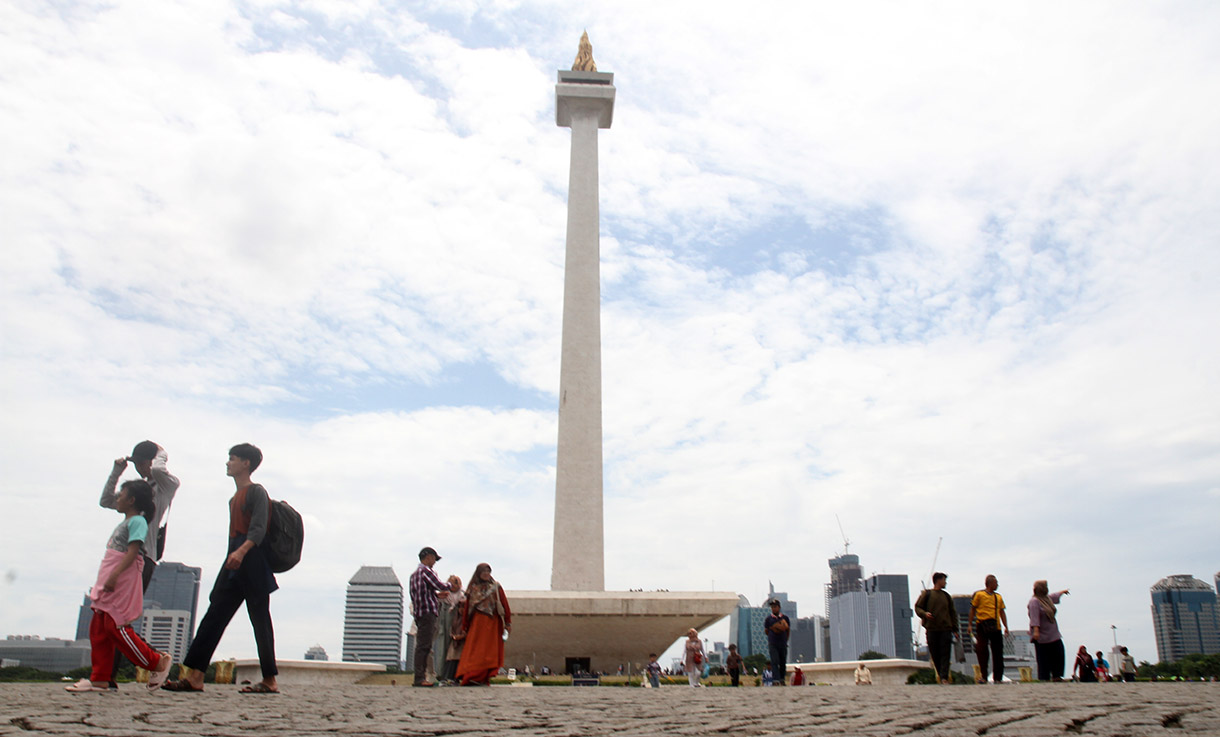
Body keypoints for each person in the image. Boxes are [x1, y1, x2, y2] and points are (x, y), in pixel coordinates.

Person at [164, 444, 279, 694]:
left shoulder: (257, 492)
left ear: (246, 463)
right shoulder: (233, 499)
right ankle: (195, 676)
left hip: (252, 559)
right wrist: (232, 557)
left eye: (233, 459)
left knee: (260, 620)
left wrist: (241, 551)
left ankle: (270, 680)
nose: (228, 463)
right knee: (214, 617)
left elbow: (258, 530)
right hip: (234, 560)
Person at [66, 480, 172, 693]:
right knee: (99, 628)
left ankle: (156, 662)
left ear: (131, 500)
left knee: (115, 626)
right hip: (110, 578)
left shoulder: (138, 522)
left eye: (121, 495)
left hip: (120, 579)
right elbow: (105, 500)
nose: (118, 498)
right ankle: (100, 678)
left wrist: (115, 575)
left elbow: (133, 550)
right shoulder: (127, 521)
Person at [100, 441, 181, 690]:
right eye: (136, 464)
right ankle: (107, 676)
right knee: (111, 617)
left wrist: (161, 453)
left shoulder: (167, 484)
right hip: (123, 557)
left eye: (140, 463)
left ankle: (156, 661)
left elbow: (158, 471)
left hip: (142, 557)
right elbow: (106, 501)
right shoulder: (140, 489)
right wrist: (117, 471)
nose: (139, 469)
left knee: (118, 618)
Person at [455, 563, 511, 686]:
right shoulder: (473, 588)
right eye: (483, 572)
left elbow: (504, 604)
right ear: (478, 573)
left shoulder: (496, 586)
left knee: (489, 652)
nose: (486, 574)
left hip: (492, 623)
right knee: (475, 651)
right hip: (477, 624)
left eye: (488, 571)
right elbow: (467, 609)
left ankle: (483, 677)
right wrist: (464, 626)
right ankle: (472, 675)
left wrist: (508, 622)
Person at [409, 546, 451, 687]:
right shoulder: (426, 571)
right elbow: (440, 585)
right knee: (424, 646)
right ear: (428, 557)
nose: (434, 562)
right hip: (428, 612)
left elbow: (420, 593)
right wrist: (450, 584)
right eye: (434, 559)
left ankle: (419, 677)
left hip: (420, 613)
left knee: (422, 645)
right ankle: (420, 678)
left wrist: (436, 595)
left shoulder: (414, 575)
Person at [915, 572, 959, 684]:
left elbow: (952, 613)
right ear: (938, 580)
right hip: (932, 629)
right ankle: (940, 675)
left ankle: (944, 677)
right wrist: (924, 614)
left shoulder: (946, 596)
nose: (945, 582)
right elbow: (918, 607)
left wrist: (955, 629)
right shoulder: (927, 594)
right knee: (935, 654)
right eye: (944, 580)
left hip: (946, 629)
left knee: (945, 654)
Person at [968, 574, 1009, 684]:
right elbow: (972, 609)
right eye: (996, 583)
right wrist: (970, 624)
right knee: (982, 651)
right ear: (990, 583)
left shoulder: (998, 597)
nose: (997, 585)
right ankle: (984, 676)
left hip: (996, 626)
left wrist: (1006, 627)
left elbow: (1002, 612)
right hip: (982, 625)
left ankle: (998, 677)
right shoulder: (979, 595)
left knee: (998, 653)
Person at [1028, 580, 1069, 682]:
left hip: (1053, 633)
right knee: (1043, 659)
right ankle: (1044, 678)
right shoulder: (1034, 602)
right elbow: (1034, 617)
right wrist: (1036, 631)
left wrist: (1062, 592)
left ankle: (1057, 676)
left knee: (1059, 654)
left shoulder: (1047, 599)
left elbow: (1054, 596)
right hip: (1041, 636)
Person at [438, 575, 465, 685]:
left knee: (455, 652)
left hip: (457, 627)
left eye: (456, 582)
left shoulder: (463, 596)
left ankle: (454, 676)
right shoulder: (444, 596)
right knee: (442, 647)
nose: (455, 585)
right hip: (444, 624)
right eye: (452, 583)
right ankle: (441, 674)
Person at [764, 599, 791, 686]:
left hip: (782, 643)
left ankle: (782, 679)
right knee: (774, 661)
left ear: (779, 607)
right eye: (772, 607)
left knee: (782, 661)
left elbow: (788, 630)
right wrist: (772, 636)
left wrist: (785, 639)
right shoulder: (769, 619)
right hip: (773, 643)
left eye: (775, 607)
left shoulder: (785, 618)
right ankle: (776, 680)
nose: (773, 609)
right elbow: (766, 631)